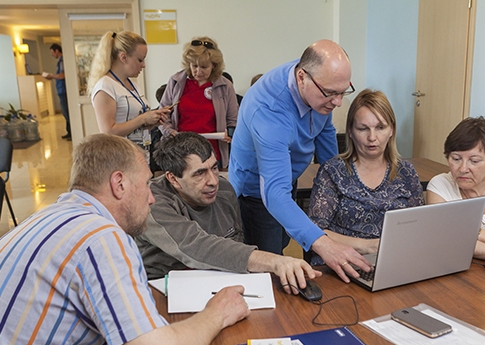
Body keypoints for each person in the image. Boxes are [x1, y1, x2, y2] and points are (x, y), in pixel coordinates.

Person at [0, 134, 250, 345]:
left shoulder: (42, 219)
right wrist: (217, 312)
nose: (152, 199)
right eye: (145, 185)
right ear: (119, 184)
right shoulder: (101, 237)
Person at [229, 39, 372, 283]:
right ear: (302, 77)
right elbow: (274, 193)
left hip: (287, 179)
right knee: (272, 264)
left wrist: (338, 182)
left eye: (343, 91)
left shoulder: (319, 81)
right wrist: (324, 244)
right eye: (330, 93)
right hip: (257, 193)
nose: (338, 102)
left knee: (286, 238)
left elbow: (325, 129)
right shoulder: (269, 110)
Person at [135, 132, 321, 294]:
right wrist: (274, 261)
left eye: (214, 168)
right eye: (200, 173)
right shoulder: (152, 201)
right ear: (173, 179)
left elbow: (234, 243)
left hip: (215, 282)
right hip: (162, 286)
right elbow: (194, 245)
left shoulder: (224, 190)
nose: (213, 181)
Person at [308, 89, 424, 264]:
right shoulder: (333, 171)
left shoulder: (406, 172)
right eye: (363, 128)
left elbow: (418, 227)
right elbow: (314, 230)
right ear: (350, 132)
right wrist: (370, 246)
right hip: (340, 262)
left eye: (380, 128)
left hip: (394, 262)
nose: (372, 137)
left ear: (392, 129)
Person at [87, 31, 170, 165]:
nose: (143, 65)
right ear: (123, 57)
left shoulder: (133, 86)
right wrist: (143, 118)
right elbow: (108, 131)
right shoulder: (105, 86)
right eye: (140, 60)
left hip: (139, 156)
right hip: (121, 159)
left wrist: (151, 122)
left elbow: (132, 125)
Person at [427, 116, 485, 259]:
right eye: (456, 159)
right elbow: (449, 241)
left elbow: (458, 238)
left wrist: (472, 233)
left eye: (474, 161)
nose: (463, 168)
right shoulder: (440, 186)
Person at [159, 36, 237, 168]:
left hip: (212, 152)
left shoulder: (225, 86)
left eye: (204, 67)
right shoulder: (176, 82)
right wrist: (170, 133)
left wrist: (230, 133)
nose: (198, 71)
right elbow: (162, 116)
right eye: (194, 66)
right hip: (181, 151)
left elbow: (233, 119)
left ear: (214, 66)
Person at [45, 44, 71, 140]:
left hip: (64, 90)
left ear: (56, 51)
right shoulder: (60, 62)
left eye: (52, 52)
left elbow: (62, 75)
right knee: (65, 112)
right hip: (61, 89)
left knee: (66, 112)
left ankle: (72, 132)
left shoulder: (62, 61)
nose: (52, 55)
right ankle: (69, 131)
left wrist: (52, 76)